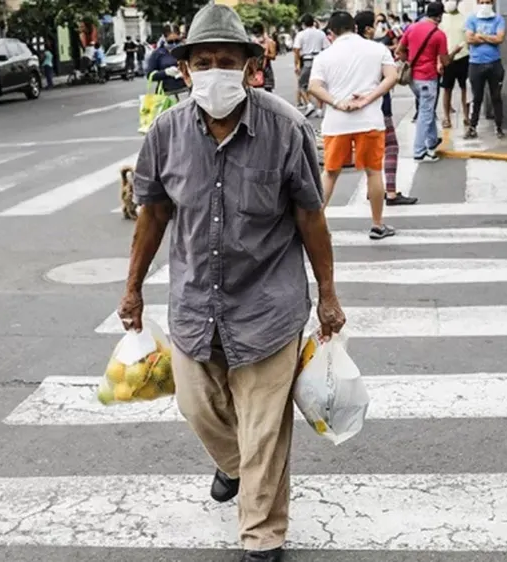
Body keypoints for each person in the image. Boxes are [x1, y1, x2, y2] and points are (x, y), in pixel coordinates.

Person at [118, 5, 345, 561]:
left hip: (269, 304)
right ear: (187, 69)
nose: (214, 71)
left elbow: (311, 217)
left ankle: (262, 535)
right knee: (197, 408)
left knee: (266, 430)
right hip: (196, 304)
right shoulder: (168, 131)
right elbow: (151, 214)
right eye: (203, 61)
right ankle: (232, 466)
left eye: (226, 60)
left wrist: (329, 295)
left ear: (250, 66)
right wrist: (132, 289)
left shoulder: (285, 126)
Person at [309, 10, 399, 239]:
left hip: (337, 122)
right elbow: (392, 76)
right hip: (369, 120)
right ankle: (378, 225)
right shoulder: (377, 49)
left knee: (330, 173)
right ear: (356, 28)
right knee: (373, 172)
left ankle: (315, 225)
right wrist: (369, 98)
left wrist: (338, 103)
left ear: (330, 33)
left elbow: (314, 87)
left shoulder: (324, 56)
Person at [357, 11, 418, 205]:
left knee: (368, 148)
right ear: (368, 29)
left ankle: (371, 188)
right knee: (391, 146)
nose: (377, 28)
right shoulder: (377, 49)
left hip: (356, 104)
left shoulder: (348, 50)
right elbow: (390, 77)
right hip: (379, 104)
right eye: (374, 24)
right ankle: (390, 192)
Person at [397, 2, 449, 163]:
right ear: (440, 16)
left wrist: (410, 61)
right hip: (428, 78)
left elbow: (400, 50)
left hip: (413, 78)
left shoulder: (412, 28)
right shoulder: (439, 34)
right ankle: (420, 151)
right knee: (425, 114)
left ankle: (433, 140)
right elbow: (445, 60)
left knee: (427, 109)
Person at [464, 0, 507, 140]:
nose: (485, 4)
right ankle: (472, 127)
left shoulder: (498, 19)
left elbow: (500, 38)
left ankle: (499, 127)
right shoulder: (472, 18)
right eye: (482, 1)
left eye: (487, 1)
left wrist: (480, 36)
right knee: (477, 97)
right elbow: (469, 39)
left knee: (496, 97)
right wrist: (490, 38)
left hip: (494, 63)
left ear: (493, 2)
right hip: (475, 63)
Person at [439, 0, 470, 129]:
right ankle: (446, 117)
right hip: (447, 59)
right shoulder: (442, 20)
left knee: (465, 89)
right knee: (447, 89)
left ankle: (466, 116)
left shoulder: (465, 19)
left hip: (463, 57)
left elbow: (468, 38)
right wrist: (439, 61)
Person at [293, 14, 330, 117]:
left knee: (301, 84)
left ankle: (309, 104)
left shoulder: (301, 34)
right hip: (319, 59)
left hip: (307, 60)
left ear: (303, 24)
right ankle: (319, 109)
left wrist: (296, 64)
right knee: (319, 85)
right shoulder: (321, 33)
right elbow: (326, 47)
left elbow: (296, 49)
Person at [146, 30, 187, 96]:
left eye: (177, 41)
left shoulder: (186, 50)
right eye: (170, 42)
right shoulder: (157, 53)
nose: (174, 44)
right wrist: (166, 72)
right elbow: (150, 75)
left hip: (186, 91)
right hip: (166, 93)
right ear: (164, 40)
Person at [250, 22, 277, 92]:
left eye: (258, 34)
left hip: (266, 69)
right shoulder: (253, 41)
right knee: (254, 90)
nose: (257, 36)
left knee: (268, 90)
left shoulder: (270, 42)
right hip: (255, 68)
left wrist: (263, 53)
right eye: (255, 34)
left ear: (262, 32)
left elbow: (273, 56)